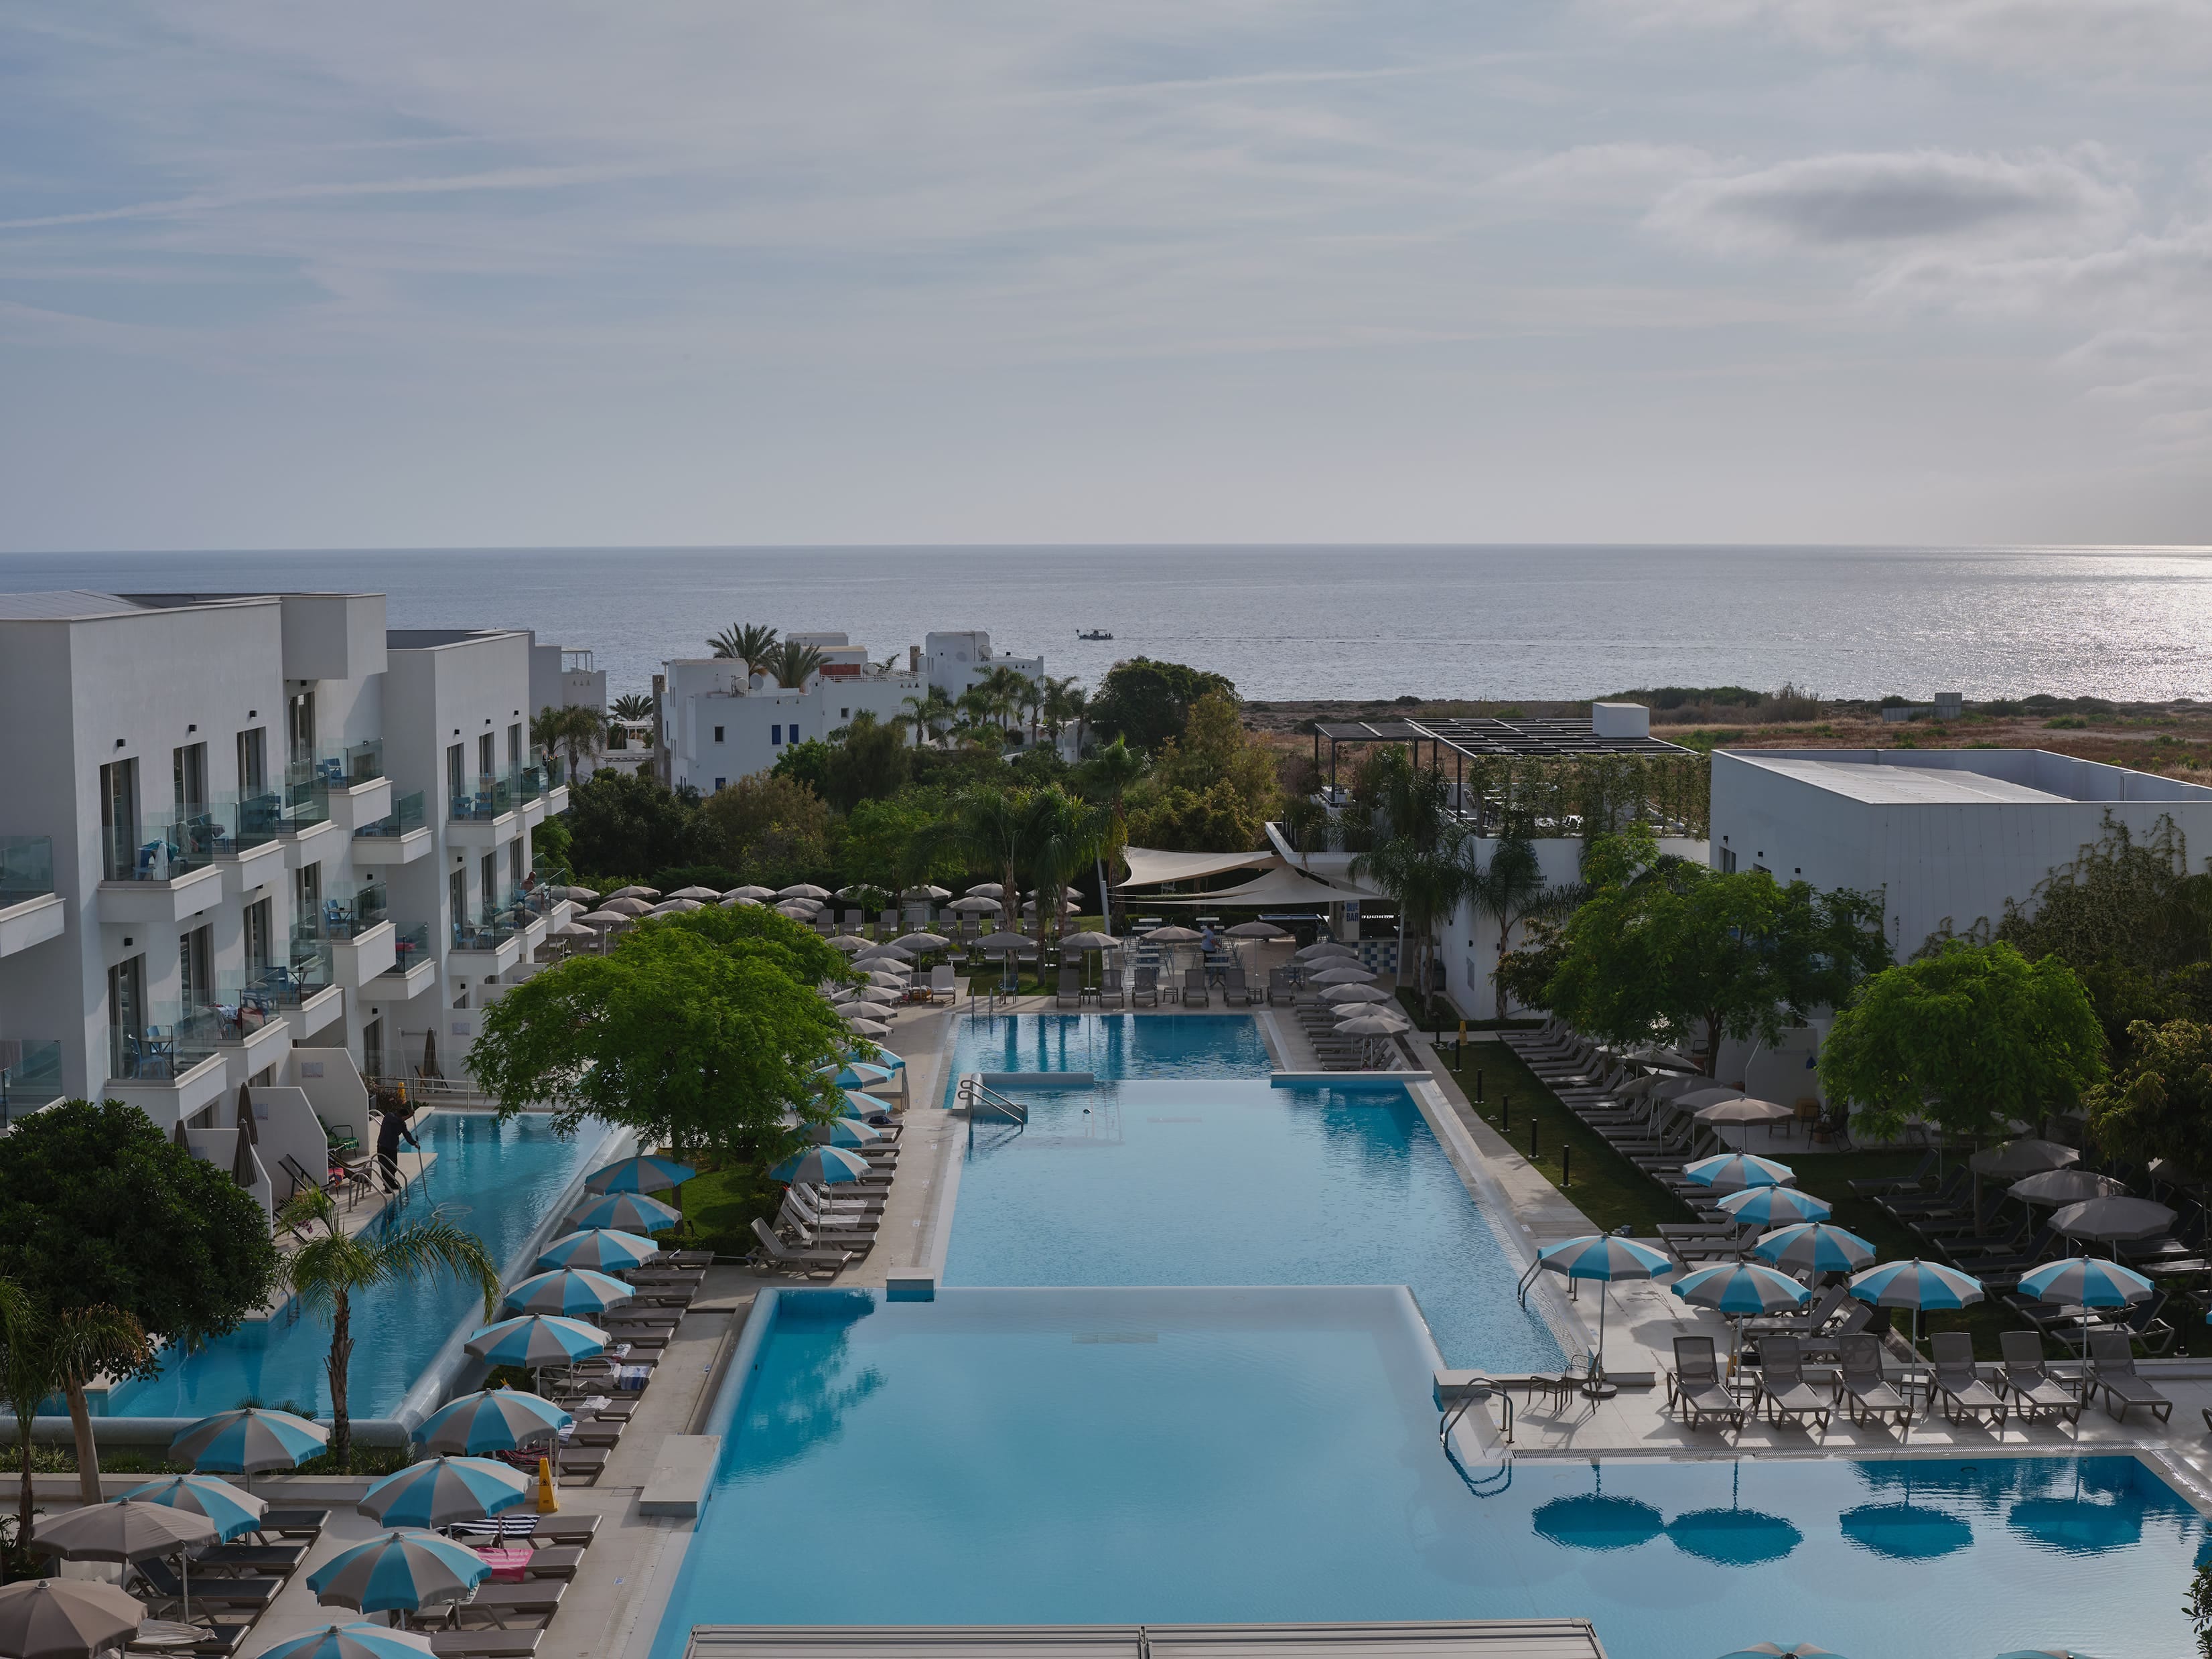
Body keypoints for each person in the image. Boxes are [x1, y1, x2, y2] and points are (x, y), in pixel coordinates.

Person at [375, 1101, 421, 1190]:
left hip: (392, 1148)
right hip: (383, 1147)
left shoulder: (402, 1124)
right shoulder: (389, 1116)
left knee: (393, 1167)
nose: (401, 1118)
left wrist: (414, 1143)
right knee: (385, 1167)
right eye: (401, 1117)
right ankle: (387, 1186)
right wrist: (409, 1116)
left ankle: (392, 1183)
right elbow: (396, 1120)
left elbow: (407, 1135)